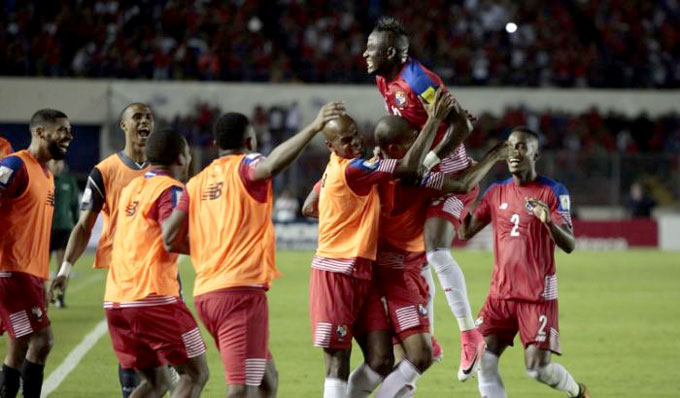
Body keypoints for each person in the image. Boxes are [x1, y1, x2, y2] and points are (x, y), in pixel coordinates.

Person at [163, 102, 345, 398]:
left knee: (266, 380)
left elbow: (170, 238)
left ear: (216, 144)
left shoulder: (195, 183)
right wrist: (313, 127)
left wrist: (209, 247)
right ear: (250, 141)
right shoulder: (246, 165)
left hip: (207, 294)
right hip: (240, 294)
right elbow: (271, 165)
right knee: (241, 389)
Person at [306, 87, 450, 398]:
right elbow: (409, 169)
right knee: (337, 362)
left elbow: (308, 206)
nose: (355, 142)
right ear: (330, 145)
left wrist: (341, 212)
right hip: (335, 273)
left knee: (382, 359)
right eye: (345, 140)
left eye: (356, 134)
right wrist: (433, 121)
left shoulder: (336, 167)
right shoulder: (356, 169)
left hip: (364, 274)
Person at [364, 16, 485, 381]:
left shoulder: (419, 81)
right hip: (421, 176)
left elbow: (462, 125)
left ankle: (470, 334)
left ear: (391, 52)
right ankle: (427, 339)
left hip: (449, 174)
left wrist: (430, 160)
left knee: (435, 249)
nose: (364, 53)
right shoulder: (383, 78)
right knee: (415, 258)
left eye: (371, 48)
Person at [458, 127, 590, 398]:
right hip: (500, 295)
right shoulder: (496, 192)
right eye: (510, 146)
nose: (514, 153)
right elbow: (465, 231)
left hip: (536, 296)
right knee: (484, 357)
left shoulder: (553, 191)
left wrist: (549, 221)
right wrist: (459, 194)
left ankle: (577, 392)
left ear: (536, 153)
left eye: (521, 147)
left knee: (537, 370)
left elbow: (570, 244)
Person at [50, 103, 154, 397]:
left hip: (164, 274)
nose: (144, 121)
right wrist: (65, 270)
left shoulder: (164, 169)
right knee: (132, 355)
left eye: (148, 118)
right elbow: (83, 226)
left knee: (177, 358)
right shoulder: (104, 171)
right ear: (123, 126)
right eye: (137, 117)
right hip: (125, 276)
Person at [104, 128, 209, 398]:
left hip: (117, 300)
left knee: (156, 382)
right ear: (181, 158)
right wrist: (214, 248)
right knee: (195, 373)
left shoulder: (132, 188)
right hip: (154, 299)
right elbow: (170, 237)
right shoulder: (171, 189)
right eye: (187, 154)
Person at [0, 109, 73, 398]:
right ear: (40, 132)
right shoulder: (15, 165)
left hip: (28, 275)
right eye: (62, 130)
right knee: (42, 341)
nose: (69, 136)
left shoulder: (47, 175)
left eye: (70, 131)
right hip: (10, 272)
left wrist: (40, 279)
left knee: (19, 347)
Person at [47, 160, 80, 308]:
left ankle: (60, 298)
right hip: (45, 229)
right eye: (54, 162)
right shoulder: (44, 178)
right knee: (41, 268)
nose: (57, 164)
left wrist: (77, 224)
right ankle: (41, 299)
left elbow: (74, 205)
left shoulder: (69, 180)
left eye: (59, 162)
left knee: (62, 266)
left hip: (63, 228)